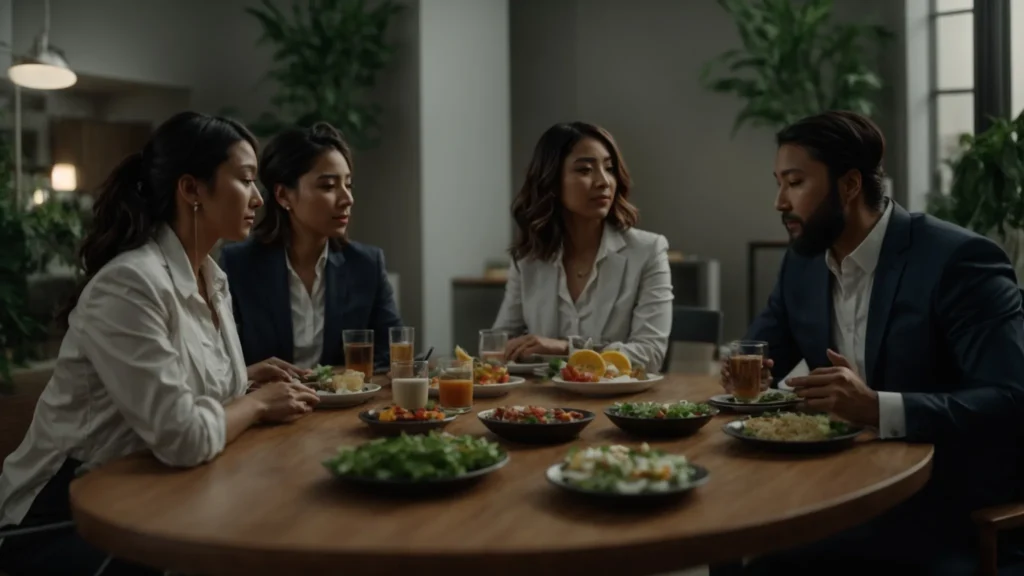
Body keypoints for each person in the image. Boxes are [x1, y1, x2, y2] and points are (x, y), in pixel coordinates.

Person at [0, 112, 321, 576]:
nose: (258, 197)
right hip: (62, 518)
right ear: (191, 189)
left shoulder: (212, 279)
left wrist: (244, 380)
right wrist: (257, 404)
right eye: (245, 179)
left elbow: (183, 395)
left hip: (152, 493)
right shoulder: (130, 284)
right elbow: (183, 437)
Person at [732, 110, 1024, 575]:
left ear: (849, 185)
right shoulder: (802, 264)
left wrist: (876, 408)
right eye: (779, 183)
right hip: (838, 485)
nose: (779, 202)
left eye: (795, 182)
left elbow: (1009, 398)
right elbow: (758, 356)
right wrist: (743, 370)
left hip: (944, 506)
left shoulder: (958, 261)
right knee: (744, 548)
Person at [220, 122, 402, 374]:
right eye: (328, 186)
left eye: (348, 185)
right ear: (283, 195)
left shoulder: (366, 264)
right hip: (268, 398)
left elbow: (391, 355)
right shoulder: (240, 264)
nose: (347, 199)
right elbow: (224, 363)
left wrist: (330, 381)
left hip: (344, 398)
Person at [492, 122, 673, 372]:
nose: (604, 181)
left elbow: (650, 355)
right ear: (551, 181)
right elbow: (499, 346)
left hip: (615, 396)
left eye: (609, 169)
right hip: (542, 395)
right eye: (585, 170)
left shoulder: (648, 250)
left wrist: (567, 349)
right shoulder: (528, 258)